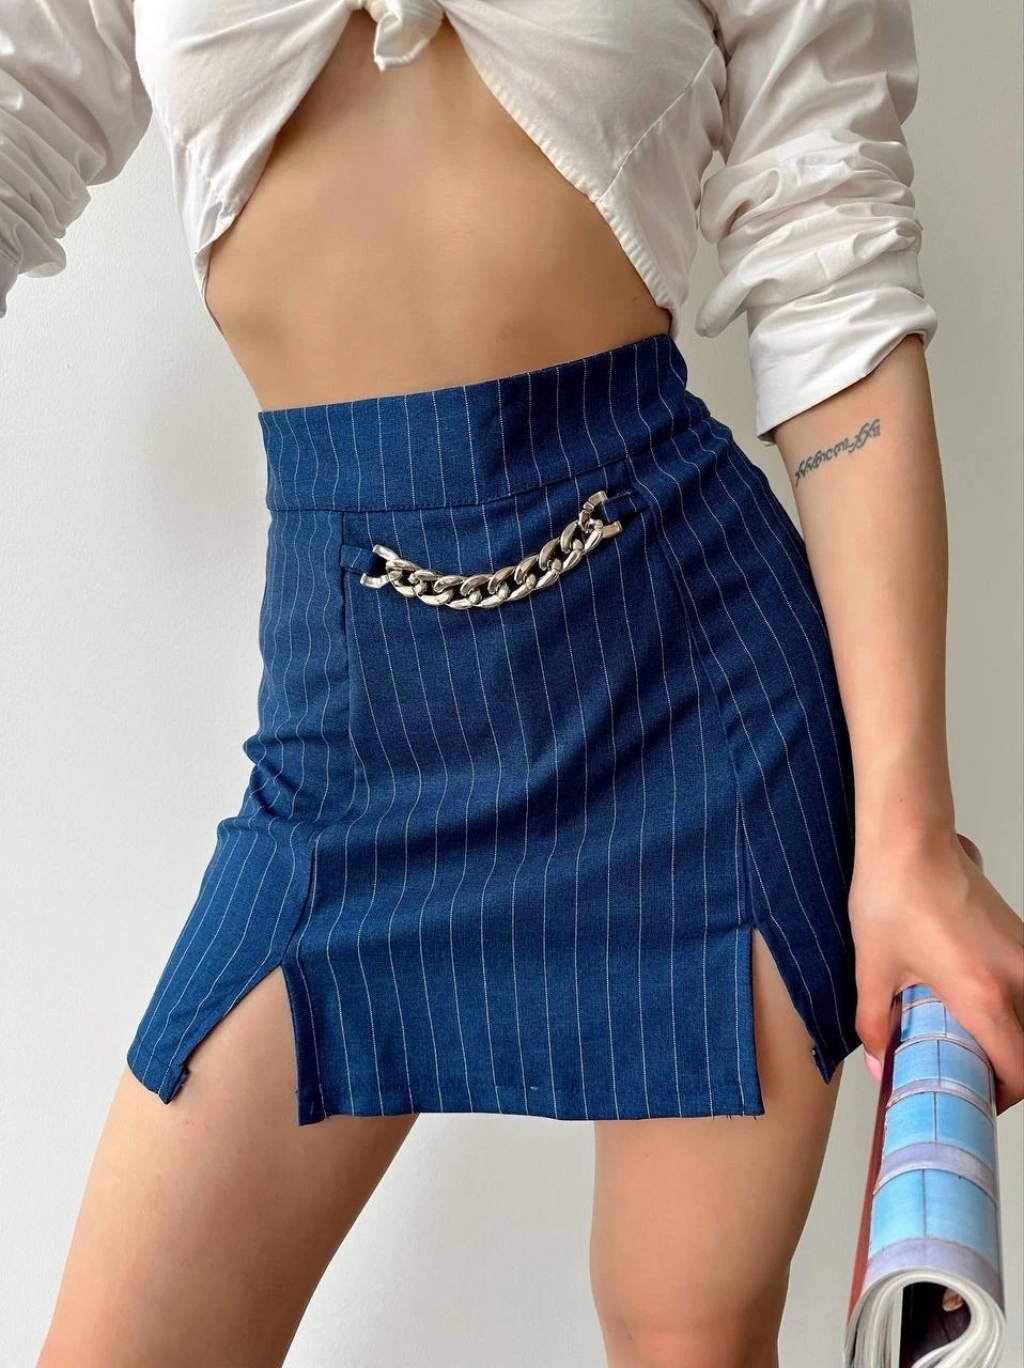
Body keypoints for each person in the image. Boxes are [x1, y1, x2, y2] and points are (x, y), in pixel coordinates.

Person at [4, 2, 1020, 1365]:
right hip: (347, 740)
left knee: (682, 1337)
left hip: (691, 715)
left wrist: (907, 843)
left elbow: (831, 265)